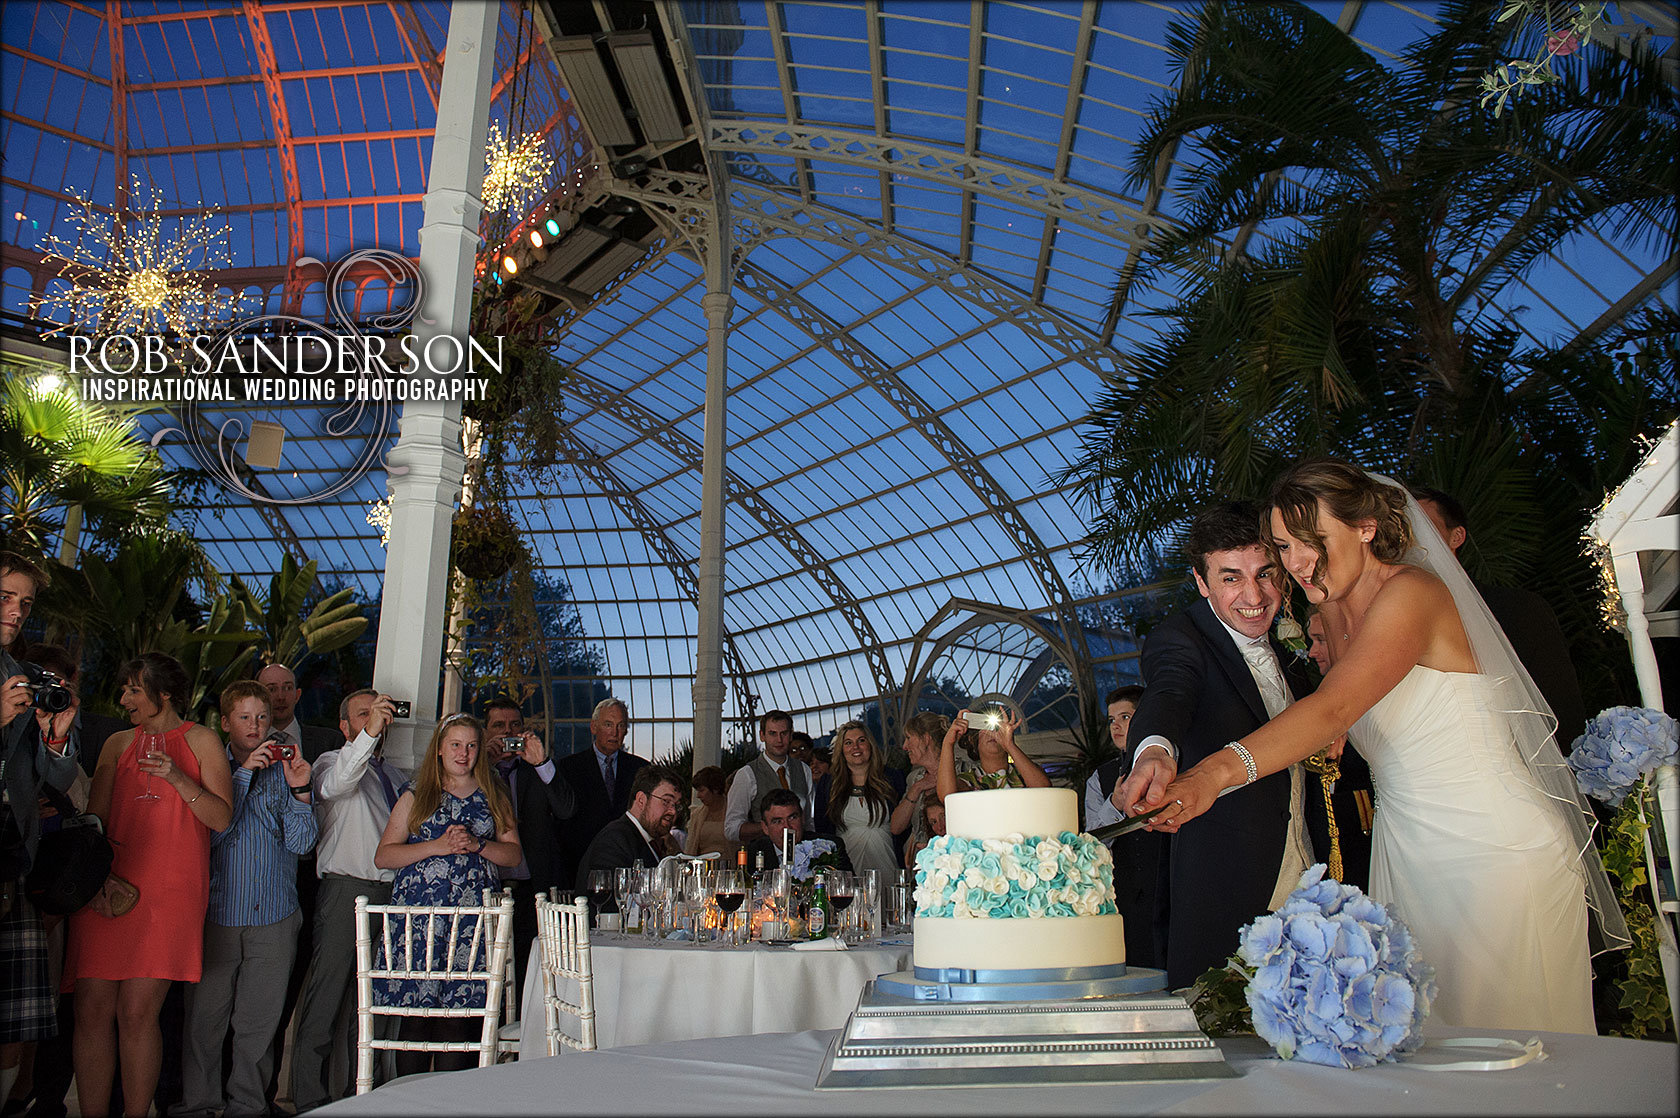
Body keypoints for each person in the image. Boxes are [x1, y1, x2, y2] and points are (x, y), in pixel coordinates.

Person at [1135, 460, 1627, 1033]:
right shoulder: (1326, 615)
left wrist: (1212, 774)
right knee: (1420, 1043)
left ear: (1366, 526)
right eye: (1284, 547)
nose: (1296, 563)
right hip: (1407, 851)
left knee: (1513, 1042)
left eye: (1310, 541)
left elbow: (1333, 708)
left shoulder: (1412, 592)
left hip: (1491, 847)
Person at [1114, 501, 1344, 991]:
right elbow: (1170, 692)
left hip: (1312, 868)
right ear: (1202, 582)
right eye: (1231, 579)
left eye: (1265, 574)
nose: (1254, 595)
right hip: (1229, 876)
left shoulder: (1290, 643)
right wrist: (1154, 750)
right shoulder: (1181, 638)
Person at [65, 653, 232, 1118]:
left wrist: (176, 777)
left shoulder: (202, 740)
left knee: (138, 1013)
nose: (123, 699)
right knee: (92, 1010)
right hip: (108, 890)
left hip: (169, 893)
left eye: (134, 690)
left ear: (164, 694)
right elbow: (93, 824)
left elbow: (221, 818)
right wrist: (95, 882)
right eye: (124, 689)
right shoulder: (117, 744)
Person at [179, 682, 317, 1118]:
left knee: (258, 1028)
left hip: (275, 915)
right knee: (204, 1023)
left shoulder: (284, 768)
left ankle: (248, 1108)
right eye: (245, 718)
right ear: (225, 723)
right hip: (217, 914)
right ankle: (200, 1105)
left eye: (262, 717)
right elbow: (213, 834)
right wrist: (242, 776)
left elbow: (303, 845)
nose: (256, 726)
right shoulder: (207, 764)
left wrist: (300, 791)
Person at [373, 714, 520, 1076]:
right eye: (455, 744)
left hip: (469, 927)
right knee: (418, 1020)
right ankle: (410, 1104)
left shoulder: (494, 796)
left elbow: (514, 855)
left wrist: (478, 844)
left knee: (458, 1021)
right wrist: (436, 846)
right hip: (420, 924)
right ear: (439, 749)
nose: (463, 753)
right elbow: (384, 855)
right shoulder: (416, 794)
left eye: (471, 745)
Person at [289, 690, 406, 1113]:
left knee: (372, 1005)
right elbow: (338, 782)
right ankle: (308, 1099)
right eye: (364, 713)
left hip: (390, 897)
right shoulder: (329, 763)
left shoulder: (392, 775)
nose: (377, 718)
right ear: (345, 726)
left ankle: (360, 1097)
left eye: (380, 713)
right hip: (346, 890)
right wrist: (368, 734)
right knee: (327, 996)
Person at [1410, 486, 1587, 751]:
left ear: (1456, 536)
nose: (1414, 537)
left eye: (1423, 525)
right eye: (1406, 527)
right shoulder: (1395, 623)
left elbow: (1559, 701)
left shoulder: (1517, 608)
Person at [0, 555, 81, 1111]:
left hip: (12, 858)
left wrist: (54, 738)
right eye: (6, 596)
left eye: (25, 602)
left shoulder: (18, 669)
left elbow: (54, 776)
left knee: (13, 1018)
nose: (16, 610)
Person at [481, 698, 571, 1019]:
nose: (508, 733)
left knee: (528, 970)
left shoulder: (538, 770)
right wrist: (483, 764)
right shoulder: (474, 769)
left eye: (515, 726)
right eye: (499, 727)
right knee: (485, 974)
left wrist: (542, 762)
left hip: (531, 888)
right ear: (484, 732)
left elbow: (566, 809)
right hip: (485, 892)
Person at [1082, 685, 1168, 971]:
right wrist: (1115, 804)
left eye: (1125, 717)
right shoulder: (1100, 778)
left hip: (1172, 889)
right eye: (1111, 720)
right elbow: (1091, 844)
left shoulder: (1173, 765)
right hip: (1125, 899)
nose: (1115, 726)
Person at [553, 699, 648, 897]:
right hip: (579, 870)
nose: (615, 732)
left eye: (621, 726)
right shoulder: (567, 768)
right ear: (593, 727)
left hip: (628, 874)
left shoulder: (641, 769)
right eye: (608, 724)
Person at [812, 721, 904, 878]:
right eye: (848, 743)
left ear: (870, 745)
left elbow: (904, 826)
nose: (856, 747)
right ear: (841, 749)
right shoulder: (828, 784)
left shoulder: (892, 778)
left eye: (861, 740)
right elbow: (822, 830)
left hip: (888, 862)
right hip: (846, 868)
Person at [574, 767, 681, 891]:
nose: (673, 811)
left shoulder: (644, 838)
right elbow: (609, 902)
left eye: (676, 805)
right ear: (641, 800)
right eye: (666, 801)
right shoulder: (614, 840)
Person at [723, 711, 813, 847]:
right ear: (762, 735)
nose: (779, 740)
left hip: (803, 855)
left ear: (790, 735)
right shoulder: (747, 774)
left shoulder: (804, 770)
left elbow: (809, 821)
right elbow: (731, 829)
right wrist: (769, 827)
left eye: (784, 733)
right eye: (773, 733)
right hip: (764, 857)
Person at [934, 706, 1049, 800]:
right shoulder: (970, 780)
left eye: (997, 727)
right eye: (985, 726)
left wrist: (1009, 745)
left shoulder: (1024, 772)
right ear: (972, 739)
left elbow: (1044, 789)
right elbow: (947, 797)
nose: (992, 732)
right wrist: (948, 743)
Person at [743, 790, 852, 872]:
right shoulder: (754, 852)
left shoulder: (829, 846)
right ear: (765, 827)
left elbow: (847, 888)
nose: (787, 827)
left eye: (792, 818)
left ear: (802, 818)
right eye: (777, 821)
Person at [888, 713, 946, 863]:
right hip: (918, 862)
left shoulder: (960, 771)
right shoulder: (914, 778)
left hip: (950, 860)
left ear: (926, 739)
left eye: (908, 738)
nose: (904, 746)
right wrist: (917, 788)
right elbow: (895, 827)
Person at [682, 766, 738, 860]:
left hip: (728, 867)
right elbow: (690, 847)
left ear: (715, 789)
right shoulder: (697, 815)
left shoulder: (734, 812)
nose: (698, 796)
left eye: (702, 790)